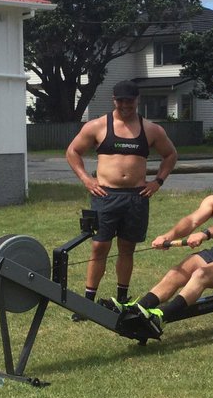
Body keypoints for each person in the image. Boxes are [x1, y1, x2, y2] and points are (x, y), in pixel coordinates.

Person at [65, 79, 178, 315]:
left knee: (127, 247)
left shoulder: (151, 129)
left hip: (136, 197)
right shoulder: (98, 126)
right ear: (114, 100)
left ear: (137, 100)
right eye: (121, 100)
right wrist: (86, 179)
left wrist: (157, 181)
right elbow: (73, 151)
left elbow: (170, 155)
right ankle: (87, 302)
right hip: (105, 195)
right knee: (99, 246)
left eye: (130, 101)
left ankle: (122, 299)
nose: (125, 105)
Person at [125, 154, 213, 336]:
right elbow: (191, 221)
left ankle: (161, 317)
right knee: (178, 272)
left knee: (201, 274)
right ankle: (139, 308)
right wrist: (168, 236)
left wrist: (205, 233)